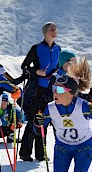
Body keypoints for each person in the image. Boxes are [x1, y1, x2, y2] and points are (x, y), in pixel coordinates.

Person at [19, 22, 61, 162]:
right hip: (35, 88)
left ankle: (40, 153)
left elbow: (58, 66)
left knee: (44, 120)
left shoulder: (57, 49)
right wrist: (35, 71)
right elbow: (24, 66)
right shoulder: (36, 48)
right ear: (45, 32)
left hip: (49, 89)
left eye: (55, 29)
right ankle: (25, 153)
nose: (54, 32)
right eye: (51, 30)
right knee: (32, 120)